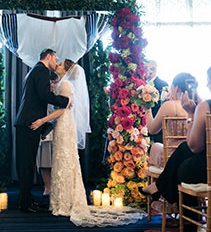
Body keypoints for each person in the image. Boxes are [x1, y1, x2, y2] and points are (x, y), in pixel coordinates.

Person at [31, 59, 145, 227]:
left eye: (61, 64)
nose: (58, 65)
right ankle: (64, 201)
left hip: (63, 124)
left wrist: (42, 120)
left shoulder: (65, 85)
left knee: (64, 162)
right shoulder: (64, 83)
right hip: (64, 124)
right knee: (64, 162)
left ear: (67, 69)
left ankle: (64, 203)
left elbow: (62, 109)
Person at [140, 61, 211, 227]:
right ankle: (159, 188)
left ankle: (184, 217)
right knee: (185, 154)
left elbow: (194, 146)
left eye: (210, 81)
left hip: (209, 173)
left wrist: (191, 114)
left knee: (184, 159)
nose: (207, 84)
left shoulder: (207, 106)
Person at [14, 48, 70, 213]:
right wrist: (65, 100)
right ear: (49, 56)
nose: (56, 62)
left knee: (27, 163)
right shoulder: (42, 70)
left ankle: (27, 199)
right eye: (56, 58)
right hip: (29, 123)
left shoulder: (35, 70)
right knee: (27, 164)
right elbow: (45, 96)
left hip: (26, 122)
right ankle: (24, 203)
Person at [146, 72, 197, 168]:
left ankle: (158, 181)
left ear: (176, 88)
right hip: (193, 155)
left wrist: (147, 110)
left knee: (155, 146)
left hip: (171, 156)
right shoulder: (199, 105)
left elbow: (152, 130)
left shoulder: (169, 106)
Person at [36, 71, 59, 197]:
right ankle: (47, 186)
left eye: (55, 82)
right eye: (51, 82)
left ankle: (57, 186)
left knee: (56, 159)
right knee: (44, 160)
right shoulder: (40, 93)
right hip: (44, 130)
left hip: (56, 129)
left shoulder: (59, 94)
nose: (53, 85)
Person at [146, 60, 168, 143]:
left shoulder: (163, 84)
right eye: (146, 69)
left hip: (156, 122)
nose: (149, 71)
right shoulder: (141, 84)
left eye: (151, 69)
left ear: (155, 69)